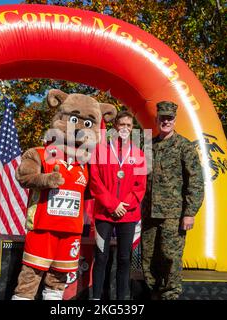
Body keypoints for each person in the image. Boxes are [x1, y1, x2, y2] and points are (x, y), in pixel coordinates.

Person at [141, 101, 204, 300]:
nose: (166, 121)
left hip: (173, 214)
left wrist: (189, 213)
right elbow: (139, 177)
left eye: (169, 118)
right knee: (148, 257)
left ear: (175, 120)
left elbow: (195, 181)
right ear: (157, 119)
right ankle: (154, 292)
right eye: (162, 118)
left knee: (170, 257)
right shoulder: (148, 145)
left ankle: (171, 294)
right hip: (149, 213)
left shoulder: (184, 146)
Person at [89, 110, 147, 300]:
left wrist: (124, 205)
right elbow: (95, 181)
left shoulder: (138, 154)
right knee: (101, 258)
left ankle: (121, 300)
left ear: (132, 129)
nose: (125, 128)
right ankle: (96, 298)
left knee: (124, 259)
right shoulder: (100, 150)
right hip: (104, 213)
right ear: (115, 127)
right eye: (122, 124)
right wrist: (113, 205)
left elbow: (140, 186)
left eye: (129, 125)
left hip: (128, 215)